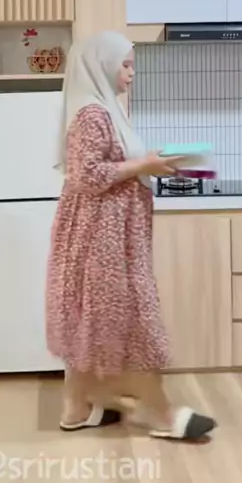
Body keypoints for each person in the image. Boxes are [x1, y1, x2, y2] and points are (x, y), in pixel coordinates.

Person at [45, 30, 216, 441]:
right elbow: (87, 175)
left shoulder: (103, 110)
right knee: (130, 321)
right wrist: (143, 166)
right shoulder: (93, 115)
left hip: (105, 234)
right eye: (125, 65)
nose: (131, 73)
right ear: (100, 66)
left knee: (97, 319)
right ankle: (162, 414)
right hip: (102, 240)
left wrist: (151, 164)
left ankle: (78, 407)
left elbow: (106, 168)